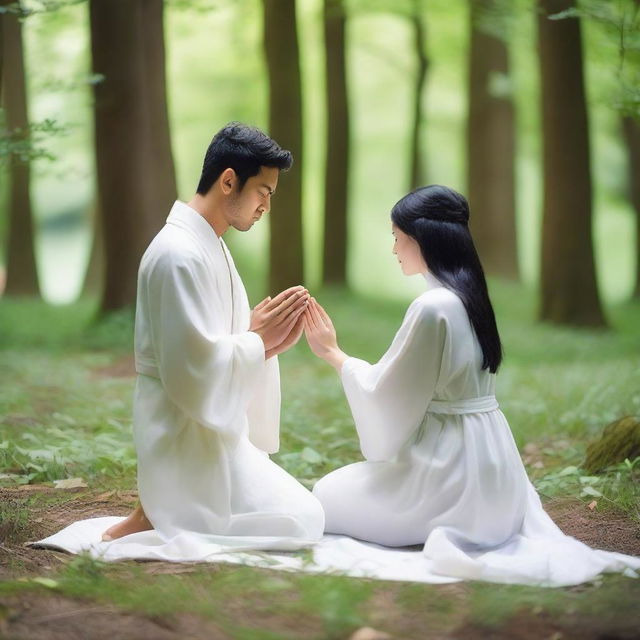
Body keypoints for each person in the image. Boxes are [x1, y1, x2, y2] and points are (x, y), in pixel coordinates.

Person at [303, 185, 640, 585]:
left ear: (420, 239)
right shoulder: (469, 298)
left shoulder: (432, 307)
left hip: (448, 474)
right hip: (495, 473)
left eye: (397, 237)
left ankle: (431, 516)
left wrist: (333, 353)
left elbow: (389, 393)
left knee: (324, 494)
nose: (394, 248)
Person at [101, 122, 324, 545]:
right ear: (228, 180)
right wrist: (256, 339)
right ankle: (157, 507)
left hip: (212, 432)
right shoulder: (177, 254)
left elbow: (217, 343)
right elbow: (190, 371)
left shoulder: (210, 245)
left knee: (306, 515)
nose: (266, 206)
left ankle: (154, 507)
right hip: (182, 436)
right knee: (302, 519)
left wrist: (265, 342)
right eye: (264, 192)